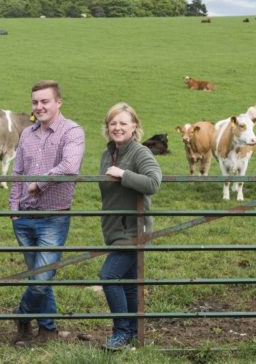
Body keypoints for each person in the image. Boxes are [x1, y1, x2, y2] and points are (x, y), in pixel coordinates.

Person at [9, 80, 85, 346]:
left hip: (53, 217)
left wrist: (39, 183)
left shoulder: (72, 131)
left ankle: (21, 315)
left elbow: (70, 166)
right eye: (35, 102)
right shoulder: (27, 134)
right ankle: (47, 329)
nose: (39, 107)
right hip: (24, 218)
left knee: (41, 278)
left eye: (44, 101)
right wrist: (13, 208)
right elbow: (17, 173)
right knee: (41, 276)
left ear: (58, 102)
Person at [98, 102, 162, 350]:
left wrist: (124, 175)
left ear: (134, 126)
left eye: (123, 122)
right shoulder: (108, 153)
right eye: (113, 123)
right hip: (115, 229)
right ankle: (134, 332)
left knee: (109, 276)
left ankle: (121, 333)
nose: (117, 127)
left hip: (134, 230)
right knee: (127, 282)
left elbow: (154, 182)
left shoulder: (140, 153)